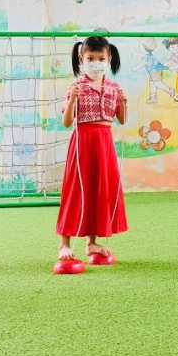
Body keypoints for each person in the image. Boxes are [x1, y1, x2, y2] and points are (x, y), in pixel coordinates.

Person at [57, 35, 129, 266]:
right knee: (76, 189)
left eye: (101, 58)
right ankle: (64, 244)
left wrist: (124, 103)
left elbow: (121, 119)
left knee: (100, 190)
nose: (95, 62)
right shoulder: (76, 87)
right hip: (83, 141)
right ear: (81, 59)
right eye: (90, 58)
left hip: (104, 141)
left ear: (109, 59)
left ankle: (92, 242)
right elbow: (67, 122)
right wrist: (72, 101)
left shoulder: (114, 88)